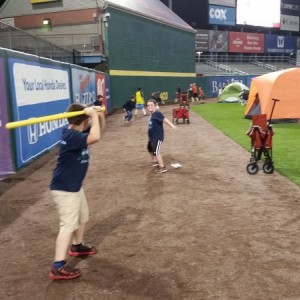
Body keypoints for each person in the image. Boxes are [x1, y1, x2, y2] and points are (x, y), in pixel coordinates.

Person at [49, 103, 105, 280]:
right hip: (65, 189)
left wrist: (98, 114)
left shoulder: (76, 132)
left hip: (73, 186)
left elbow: (98, 131)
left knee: (82, 217)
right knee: (67, 225)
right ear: (85, 121)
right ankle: (57, 266)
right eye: (88, 120)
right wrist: (93, 117)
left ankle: (77, 245)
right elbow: (95, 137)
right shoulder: (72, 136)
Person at [147, 99, 177, 174]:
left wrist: (171, 125)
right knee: (150, 148)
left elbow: (164, 119)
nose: (149, 106)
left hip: (157, 137)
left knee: (156, 152)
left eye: (151, 105)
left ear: (155, 106)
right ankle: (155, 161)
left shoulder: (157, 113)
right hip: (152, 137)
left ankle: (162, 167)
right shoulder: (153, 114)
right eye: (148, 105)